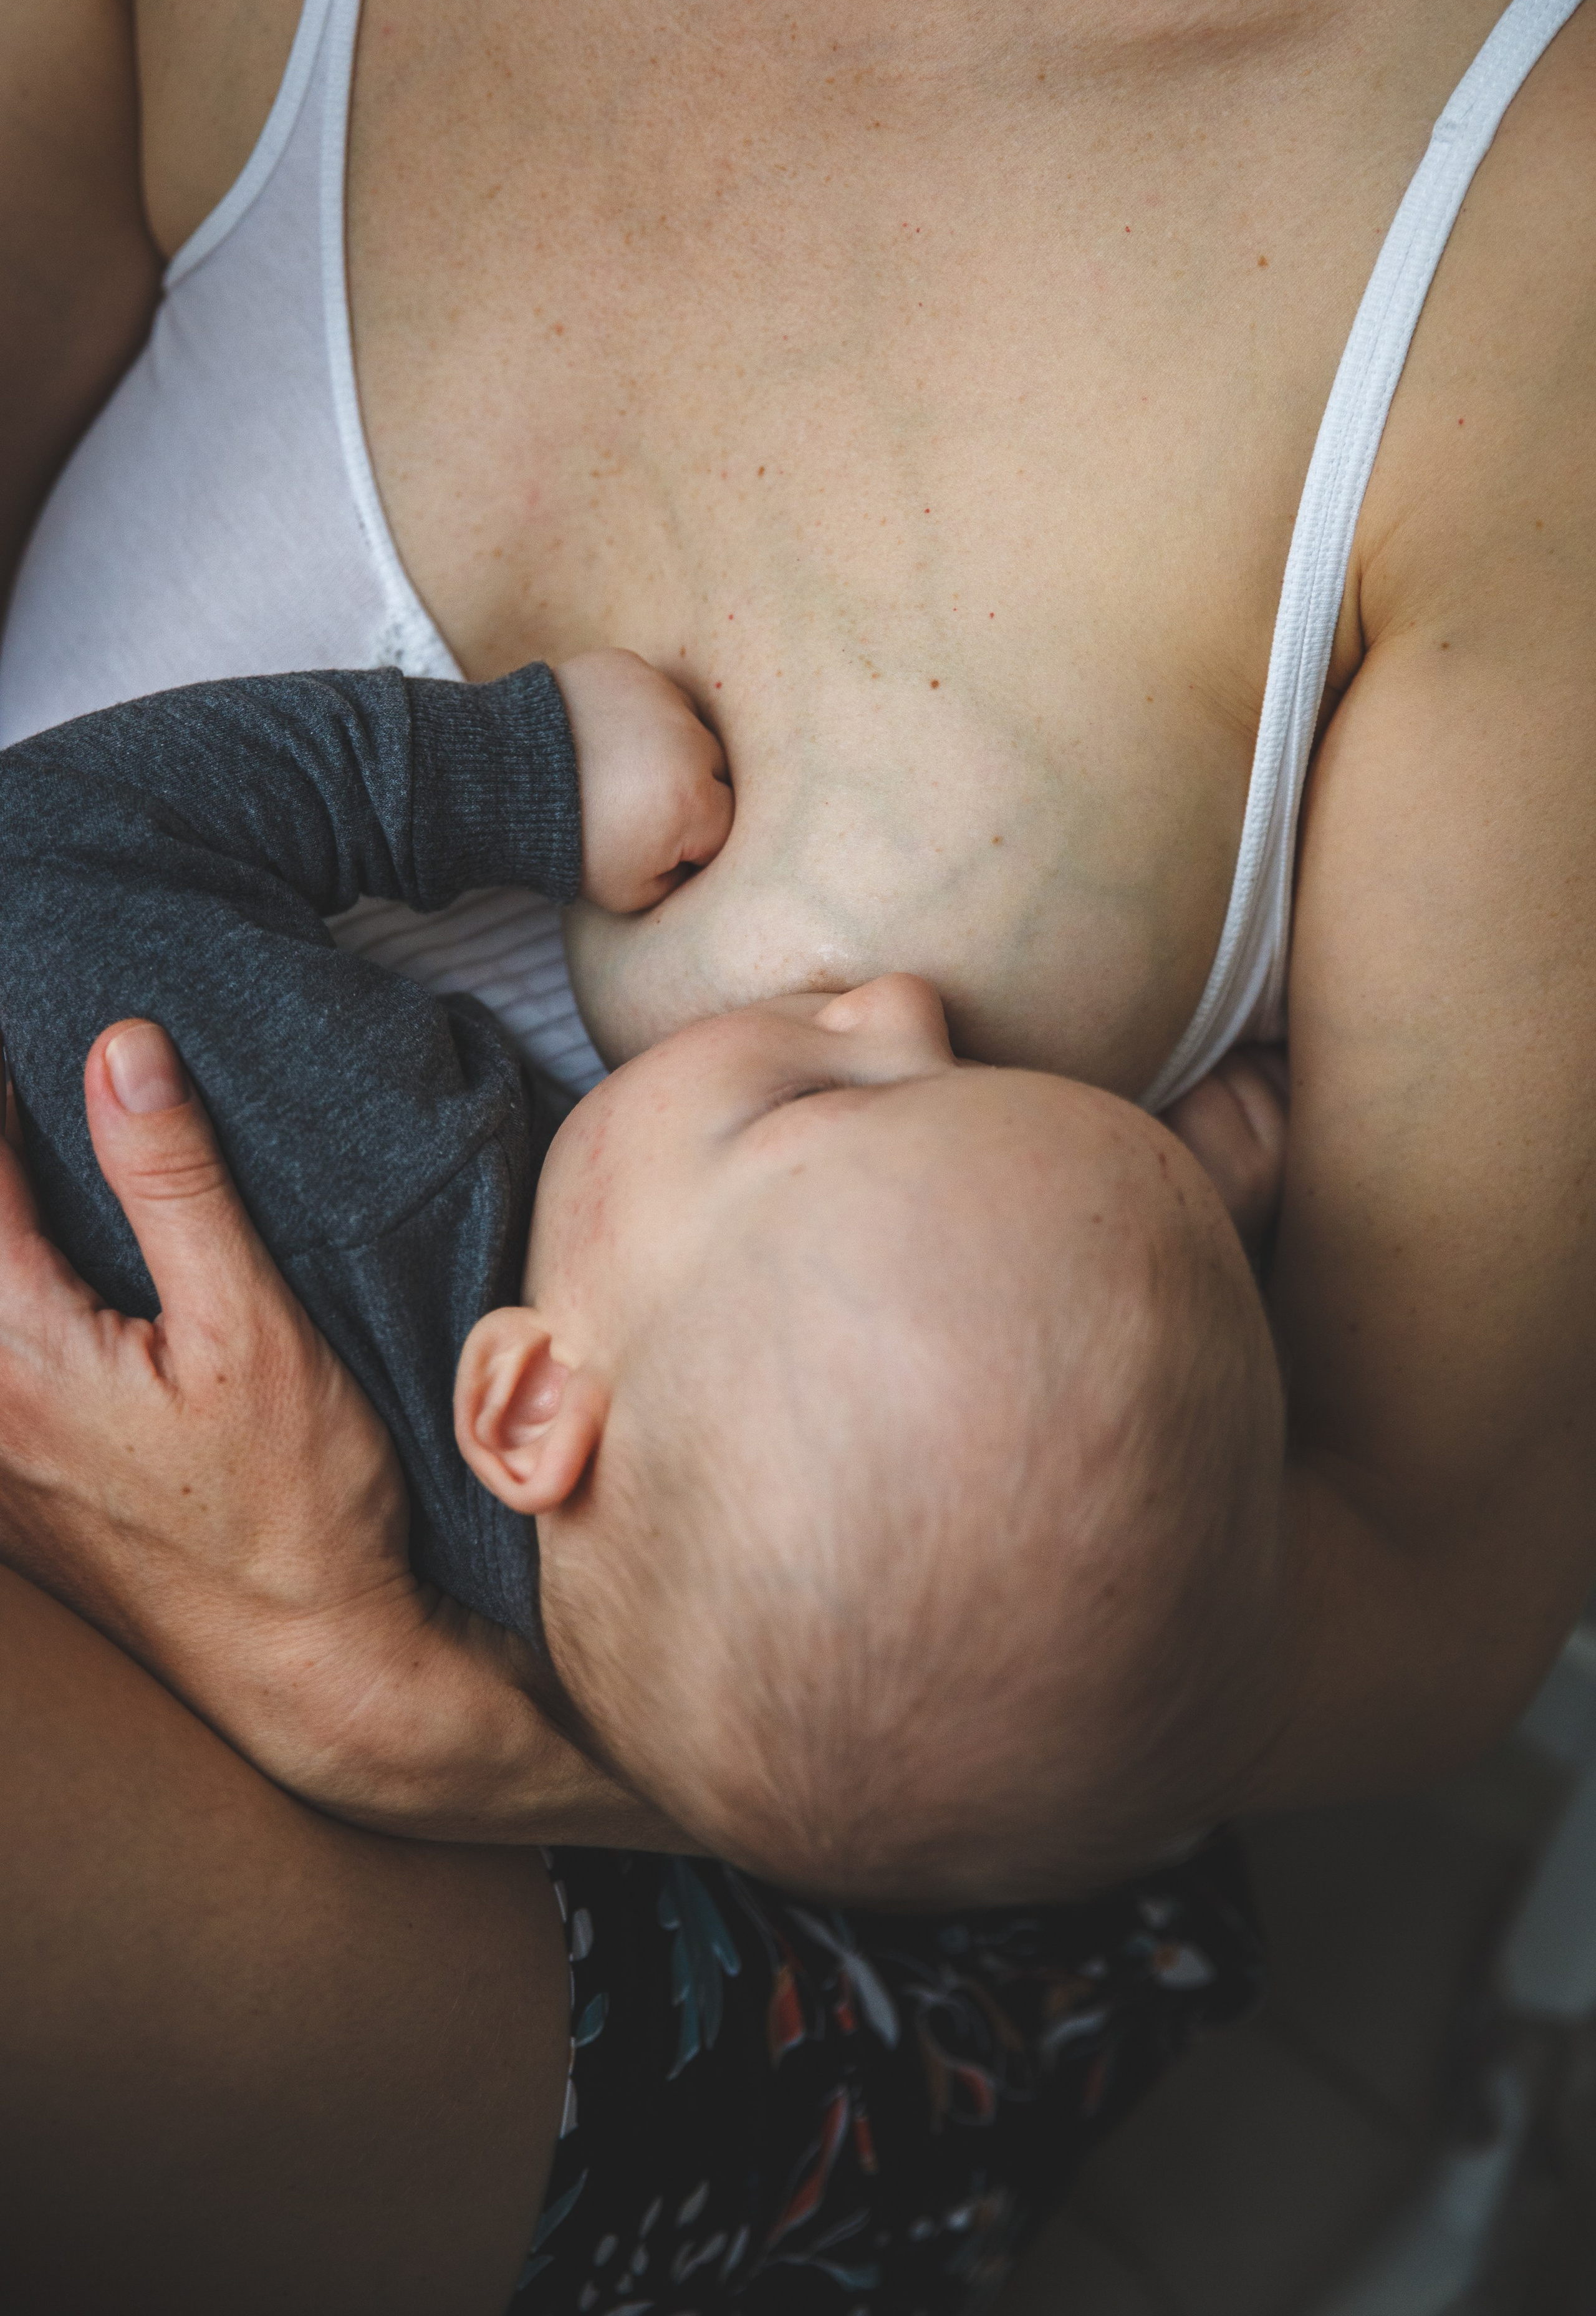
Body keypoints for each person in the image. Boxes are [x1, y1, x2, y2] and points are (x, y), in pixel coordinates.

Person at [1, 0, 1592, 2304]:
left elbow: (1433, 1585)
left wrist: (450, 1714)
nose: (886, 1015)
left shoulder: (1529, 258)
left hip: (746, 1853)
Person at [0, 649, 1284, 1904]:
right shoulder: (679, 1658)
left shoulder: (367, 1179)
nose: (898, 1004)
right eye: (973, 1081)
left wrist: (515, 769)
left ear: (528, 1403)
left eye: (807, 1100)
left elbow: (38, 855)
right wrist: (1136, 1212)